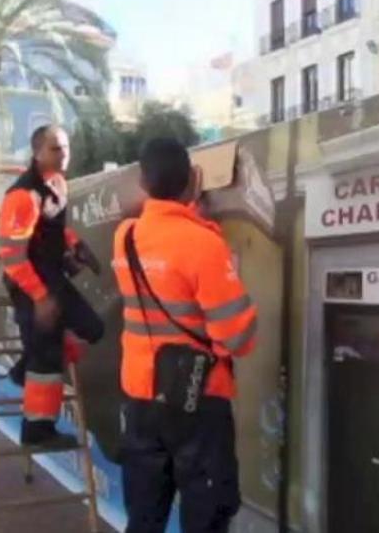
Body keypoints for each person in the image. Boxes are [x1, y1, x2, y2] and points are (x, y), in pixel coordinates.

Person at [111, 138, 258, 532]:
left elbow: (162, 250)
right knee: (206, 516)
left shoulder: (124, 237)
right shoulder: (205, 244)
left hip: (141, 397)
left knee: (144, 516)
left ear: (143, 182)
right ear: (194, 180)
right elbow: (239, 337)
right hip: (198, 401)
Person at [0, 124, 104, 448]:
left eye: (66, 147)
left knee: (93, 328)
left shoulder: (58, 183)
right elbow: (13, 258)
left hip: (52, 276)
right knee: (46, 359)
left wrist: (75, 245)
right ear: (38, 153)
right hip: (29, 282)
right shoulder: (22, 196)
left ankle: (22, 368)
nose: (64, 154)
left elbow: (52, 229)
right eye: (56, 148)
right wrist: (40, 298)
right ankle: (37, 432)